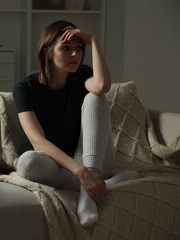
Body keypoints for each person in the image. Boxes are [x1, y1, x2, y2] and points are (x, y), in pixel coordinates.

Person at [13, 20, 138, 226]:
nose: (75, 54)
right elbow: (37, 141)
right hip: (57, 164)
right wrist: (81, 173)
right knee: (26, 163)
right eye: (66, 48)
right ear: (48, 53)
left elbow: (102, 85)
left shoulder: (84, 76)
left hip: (93, 160)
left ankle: (88, 195)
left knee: (95, 97)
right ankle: (103, 185)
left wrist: (94, 40)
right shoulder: (25, 88)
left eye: (79, 48)